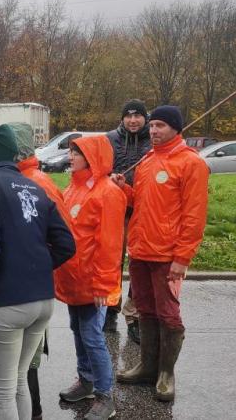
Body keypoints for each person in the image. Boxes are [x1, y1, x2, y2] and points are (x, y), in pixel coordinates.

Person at [0, 124, 76, 420]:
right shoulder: (35, 187)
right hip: (43, 300)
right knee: (18, 380)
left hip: (7, 302)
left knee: (2, 391)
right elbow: (66, 244)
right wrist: (38, 268)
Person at [113, 105, 209, 402]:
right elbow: (141, 203)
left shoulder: (191, 163)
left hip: (168, 254)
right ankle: (147, 367)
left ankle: (166, 374)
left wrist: (182, 258)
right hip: (140, 250)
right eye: (152, 126)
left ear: (176, 129)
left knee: (168, 313)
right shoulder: (148, 160)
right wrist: (123, 190)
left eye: (160, 126)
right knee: (145, 309)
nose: (153, 131)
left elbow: (194, 217)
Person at [55, 136, 126, 420]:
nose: (71, 156)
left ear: (92, 156)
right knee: (78, 330)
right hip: (73, 278)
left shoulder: (108, 192)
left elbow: (110, 244)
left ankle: (105, 395)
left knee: (92, 336)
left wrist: (103, 285)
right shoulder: (73, 186)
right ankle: (85, 381)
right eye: (71, 151)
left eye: (77, 152)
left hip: (94, 282)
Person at [10, 122, 69, 420]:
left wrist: (38, 266)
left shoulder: (36, 182)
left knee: (27, 358)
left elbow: (63, 238)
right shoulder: (21, 178)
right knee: (21, 356)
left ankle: (33, 412)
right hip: (26, 285)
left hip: (32, 288)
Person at [105, 99, 151, 342]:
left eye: (138, 116)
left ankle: (134, 316)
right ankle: (110, 308)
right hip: (116, 210)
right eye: (128, 116)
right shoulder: (110, 138)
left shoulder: (154, 139)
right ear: (122, 118)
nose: (133, 120)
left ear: (145, 118)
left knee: (138, 264)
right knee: (114, 262)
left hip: (143, 211)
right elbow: (99, 168)